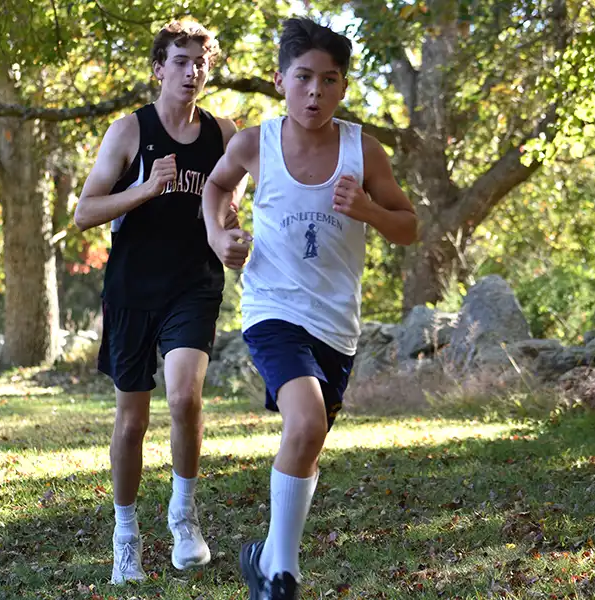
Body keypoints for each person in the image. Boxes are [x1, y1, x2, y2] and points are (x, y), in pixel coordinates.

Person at [202, 17, 418, 599]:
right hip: (272, 309)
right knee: (306, 422)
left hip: (336, 322)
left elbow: (409, 226)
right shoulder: (253, 144)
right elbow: (216, 189)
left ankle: (264, 557)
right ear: (280, 80)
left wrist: (369, 211)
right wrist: (219, 236)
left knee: (307, 441)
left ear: (343, 87)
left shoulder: (362, 150)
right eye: (303, 78)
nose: (314, 92)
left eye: (329, 80)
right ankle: (283, 576)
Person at [74, 19, 244, 584]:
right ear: (158, 68)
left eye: (199, 62)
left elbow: (228, 209)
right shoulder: (129, 132)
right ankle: (126, 536)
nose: (191, 71)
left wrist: (231, 235)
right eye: (180, 60)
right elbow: (84, 212)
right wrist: (146, 188)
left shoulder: (225, 133)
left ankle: (184, 514)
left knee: (185, 398)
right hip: (131, 291)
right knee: (131, 420)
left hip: (193, 285)